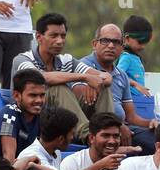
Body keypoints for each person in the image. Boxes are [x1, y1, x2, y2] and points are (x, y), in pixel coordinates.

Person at [12, 13, 105, 143]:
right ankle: (90, 138)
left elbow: (105, 77)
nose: (60, 41)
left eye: (63, 36)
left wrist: (94, 83)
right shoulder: (23, 59)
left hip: (63, 115)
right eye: (54, 36)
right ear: (39, 37)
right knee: (58, 88)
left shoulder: (66, 60)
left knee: (102, 88)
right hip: (34, 113)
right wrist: (86, 78)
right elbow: (41, 78)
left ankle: (108, 132)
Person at [77, 24, 157, 154]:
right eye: (105, 41)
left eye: (116, 42)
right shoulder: (83, 67)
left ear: (122, 46)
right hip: (94, 129)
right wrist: (117, 126)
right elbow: (83, 107)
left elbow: (131, 117)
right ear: (94, 44)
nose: (110, 46)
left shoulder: (122, 75)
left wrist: (150, 123)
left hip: (123, 128)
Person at [0, 68, 48, 161]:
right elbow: (9, 158)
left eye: (42, 95)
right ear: (17, 96)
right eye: (33, 95)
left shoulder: (43, 114)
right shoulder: (8, 116)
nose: (39, 100)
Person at [117, 15, 155, 98]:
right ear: (127, 39)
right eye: (140, 42)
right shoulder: (126, 57)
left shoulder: (135, 57)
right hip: (129, 99)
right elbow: (117, 75)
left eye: (145, 42)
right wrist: (135, 84)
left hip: (138, 99)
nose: (143, 46)